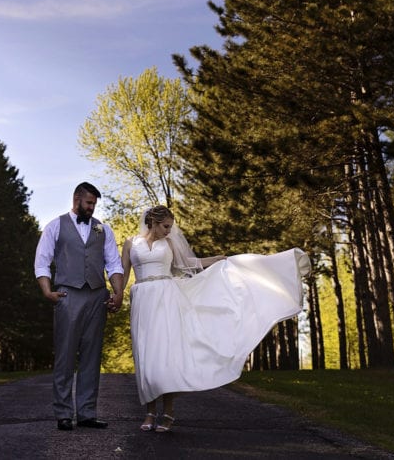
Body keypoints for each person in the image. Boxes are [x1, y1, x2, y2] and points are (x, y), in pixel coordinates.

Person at [121, 205, 310, 433]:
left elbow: (187, 264)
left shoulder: (169, 243)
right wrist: (115, 295)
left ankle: (167, 410)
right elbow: (123, 272)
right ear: (152, 221)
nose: (169, 231)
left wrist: (219, 259)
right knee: (146, 356)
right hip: (142, 298)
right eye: (165, 226)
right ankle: (150, 412)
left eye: (170, 227)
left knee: (165, 357)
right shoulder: (131, 243)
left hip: (166, 298)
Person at [34, 182, 125, 431]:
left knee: (91, 355)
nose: (92, 208)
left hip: (97, 296)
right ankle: (63, 413)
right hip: (67, 294)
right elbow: (42, 261)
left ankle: (87, 413)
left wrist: (118, 292)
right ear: (76, 199)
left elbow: (114, 264)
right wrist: (47, 291)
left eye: (94, 204)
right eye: (89, 203)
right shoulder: (55, 225)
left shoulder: (102, 229)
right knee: (65, 354)